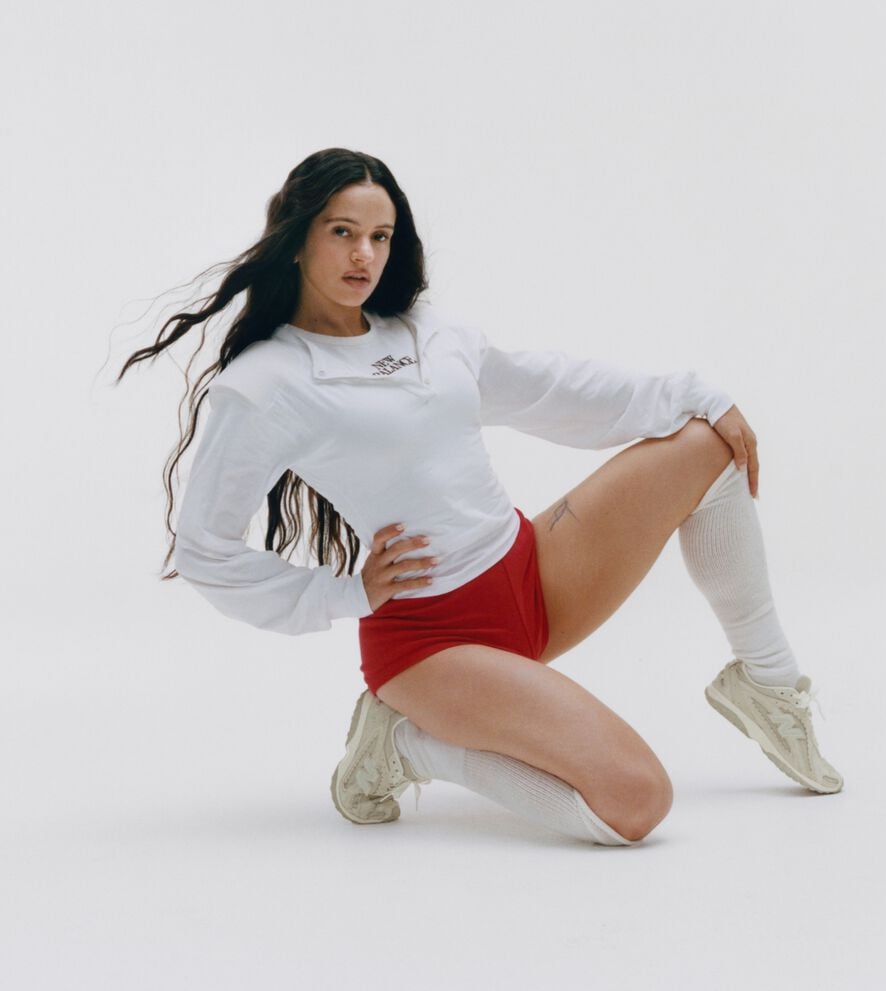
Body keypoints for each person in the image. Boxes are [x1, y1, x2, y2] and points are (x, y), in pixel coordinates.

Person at [118, 146, 842, 849]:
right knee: (635, 801)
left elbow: (548, 388)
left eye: (380, 236)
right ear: (298, 237)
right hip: (430, 641)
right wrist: (341, 594)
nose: (364, 255)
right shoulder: (265, 384)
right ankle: (407, 743)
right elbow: (205, 549)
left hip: (532, 572)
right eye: (342, 232)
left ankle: (768, 681)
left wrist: (696, 393)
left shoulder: (426, 333)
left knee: (706, 442)